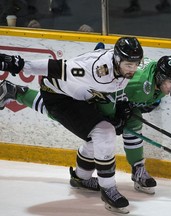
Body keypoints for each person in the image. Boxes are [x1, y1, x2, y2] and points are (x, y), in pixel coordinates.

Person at [0, 54, 171, 196]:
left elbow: (131, 99)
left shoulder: (156, 83)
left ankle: (138, 170)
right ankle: (18, 93)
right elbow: (107, 93)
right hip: (85, 92)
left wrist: (126, 110)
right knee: (70, 118)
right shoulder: (138, 82)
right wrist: (113, 117)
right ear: (160, 77)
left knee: (133, 121)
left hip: (103, 94)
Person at [0, 37, 143, 214]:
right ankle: (108, 190)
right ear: (117, 59)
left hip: (81, 94)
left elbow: (109, 85)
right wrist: (20, 65)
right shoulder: (96, 70)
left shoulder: (121, 68)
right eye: (129, 65)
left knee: (98, 137)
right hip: (59, 96)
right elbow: (58, 67)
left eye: (136, 64)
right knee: (104, 133)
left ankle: (81, 179)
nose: (133, 69)